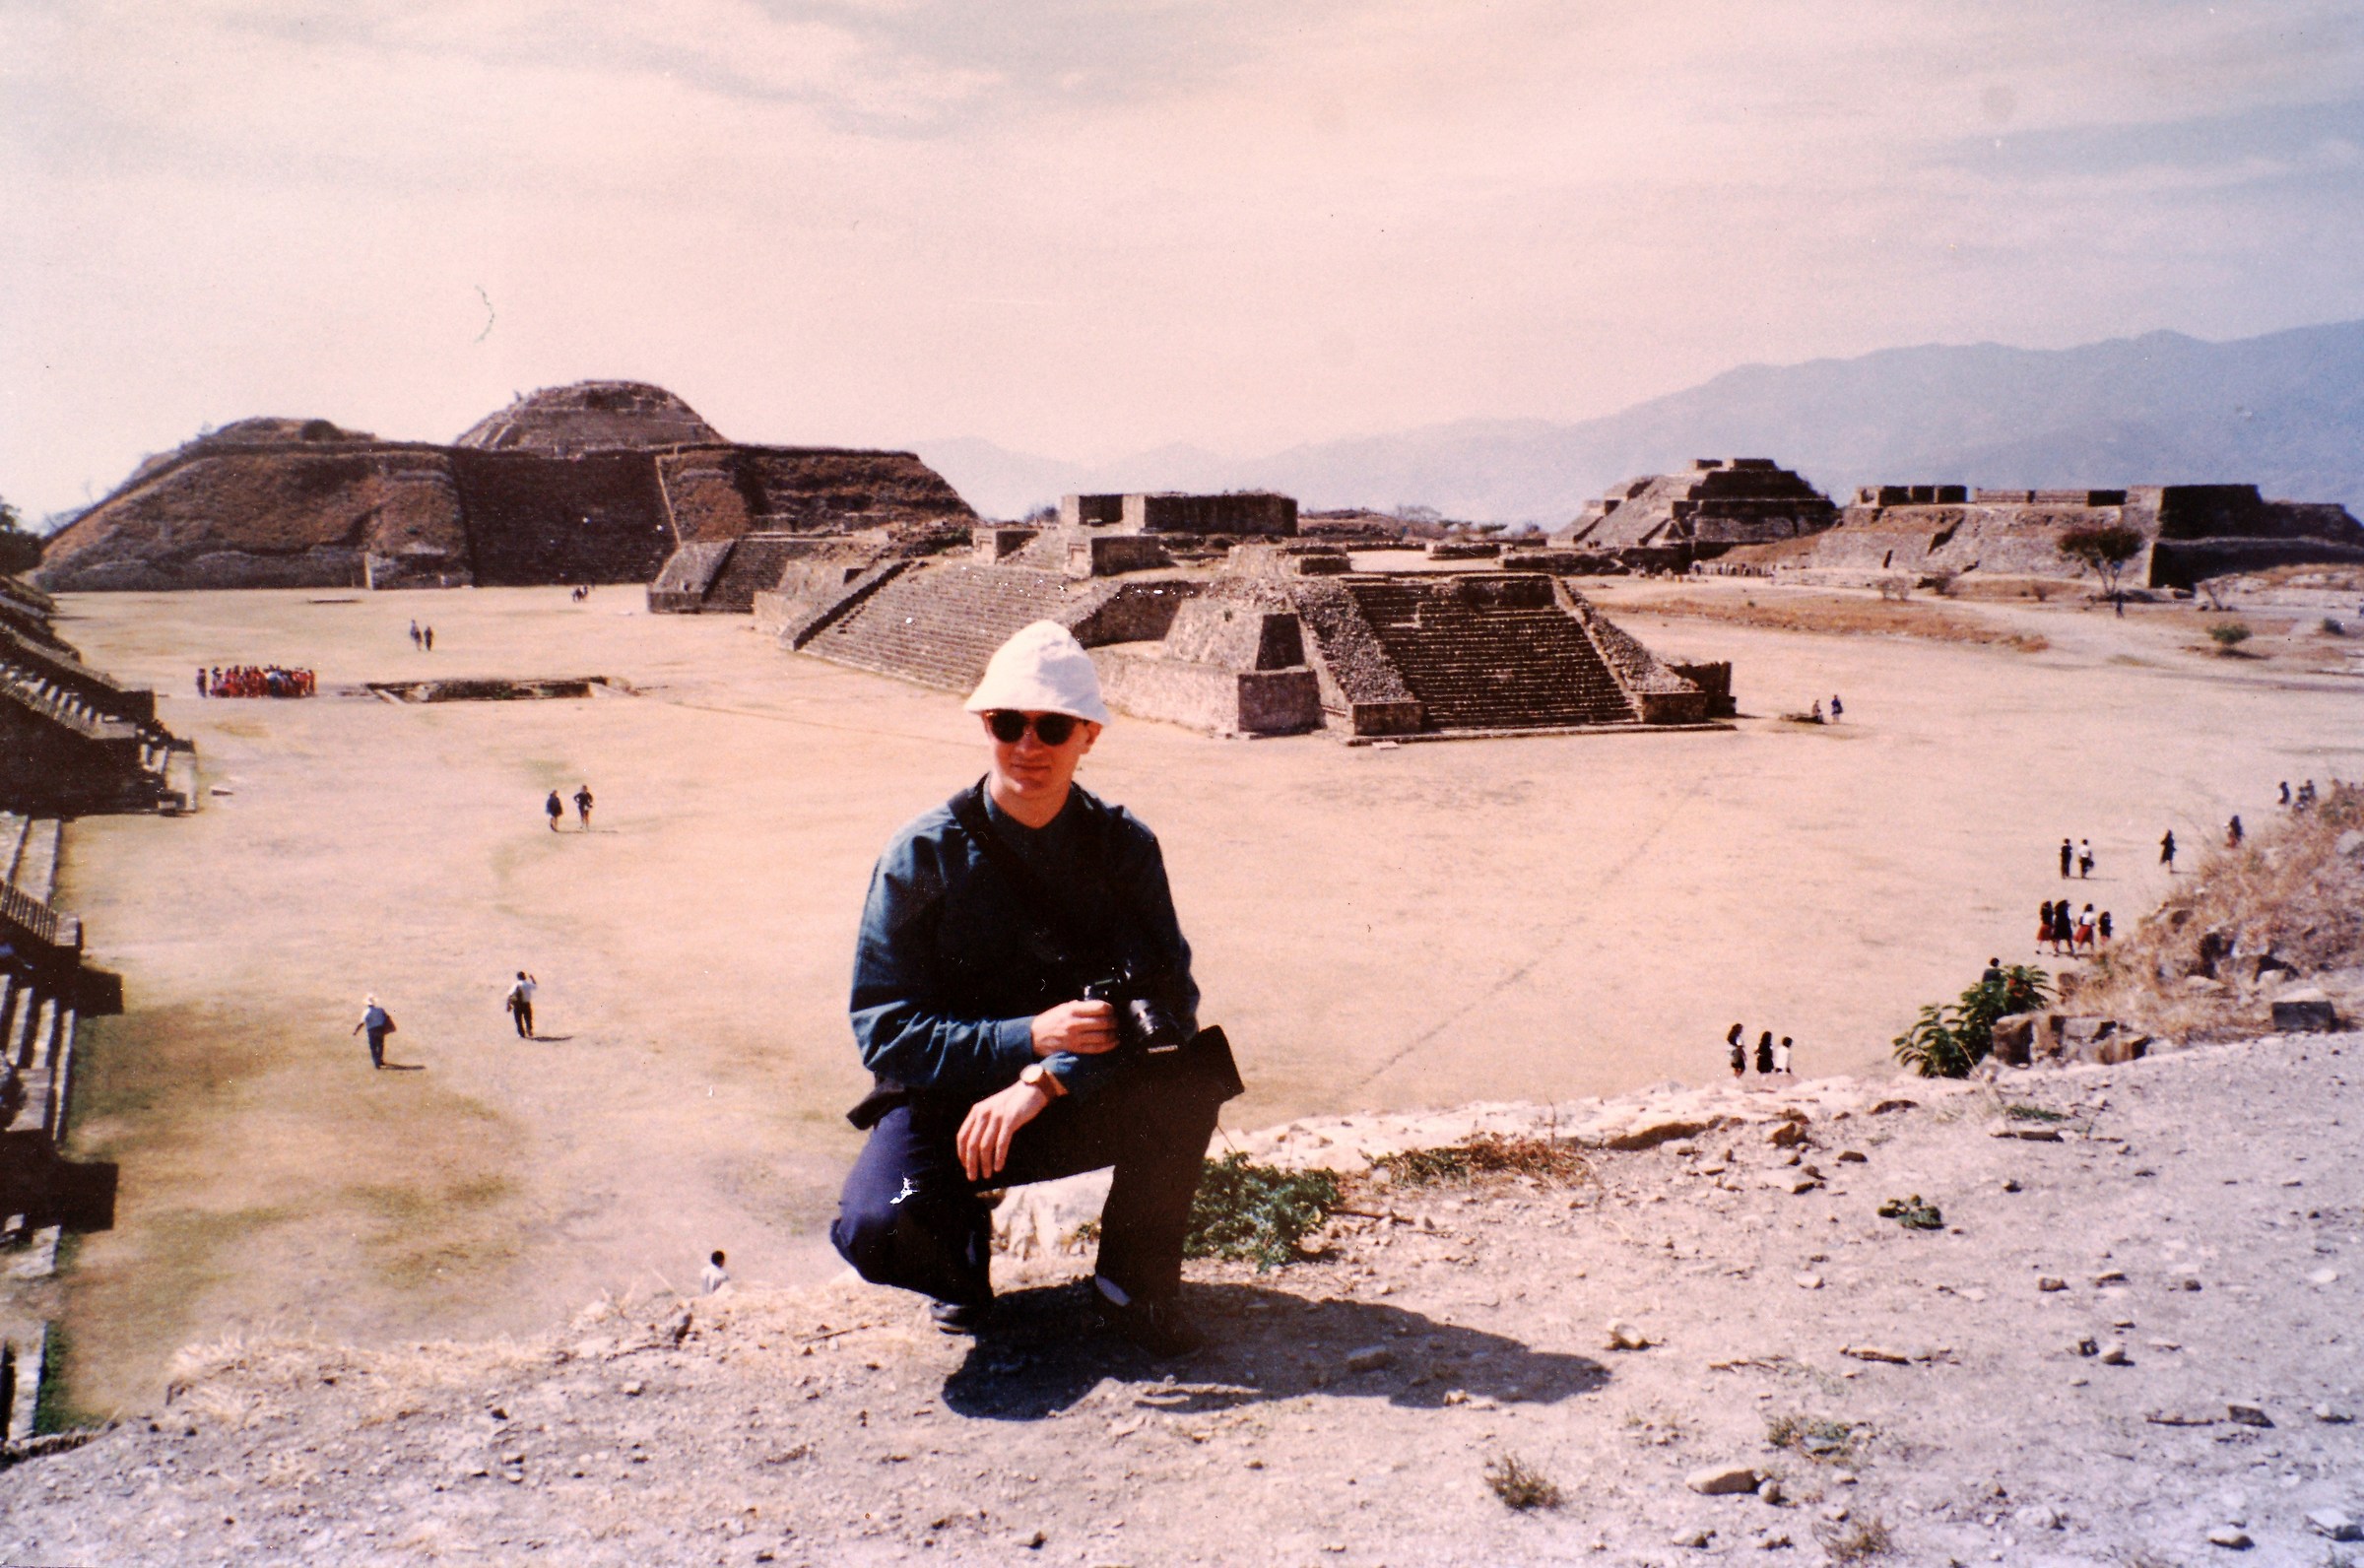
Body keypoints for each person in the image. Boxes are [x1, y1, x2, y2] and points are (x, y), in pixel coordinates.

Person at [827, 622, 1242, 1356]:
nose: (1028, 745)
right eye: (1007, 723)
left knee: (1190, 1077)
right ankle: (956, 1271)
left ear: (1089, 736)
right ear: (984, 725)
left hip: (1071, 1096)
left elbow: (1170, 1002)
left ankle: (1131, 1287)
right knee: (876, 1222)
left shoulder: (1123, 849)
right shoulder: (921, 854)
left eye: (1052, 726)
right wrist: (1028, 1036)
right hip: (952, 1113)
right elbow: (884, 1031)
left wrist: (1047, 1078)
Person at [353, 995, 395, 1070]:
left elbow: (362, 1023)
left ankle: (376, 1063)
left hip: (371, 1030)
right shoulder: (380, 1010)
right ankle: (380, 1059)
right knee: (380, 1045)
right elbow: (386, 1018)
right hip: (380, 1029)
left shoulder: (366, 1012)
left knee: (373, 1047)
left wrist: (356, 1031)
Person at [505, 971, 537, 1039]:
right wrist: (532, 978)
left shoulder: (516, 985)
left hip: (517, 1004)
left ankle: (521, 1034)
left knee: (518, 1020)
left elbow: (510, 995)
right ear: (524, 977)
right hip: (526, 1004)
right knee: (528, 1018)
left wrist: (508, 1004)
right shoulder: (528, 985)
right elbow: (535, 986)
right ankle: (529, 1029)